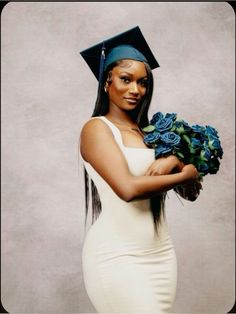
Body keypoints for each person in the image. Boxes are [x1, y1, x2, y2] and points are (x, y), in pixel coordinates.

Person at [79, 26, 201, 313]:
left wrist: (175, 161)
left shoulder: (151, 134)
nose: (136, 90)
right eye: (126, 79)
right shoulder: (97, 129)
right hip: (117, 257)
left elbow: (190, 194)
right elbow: (128, 189)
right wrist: (187, 171)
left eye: (143, 82)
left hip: (161, 253)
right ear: (106, 82)